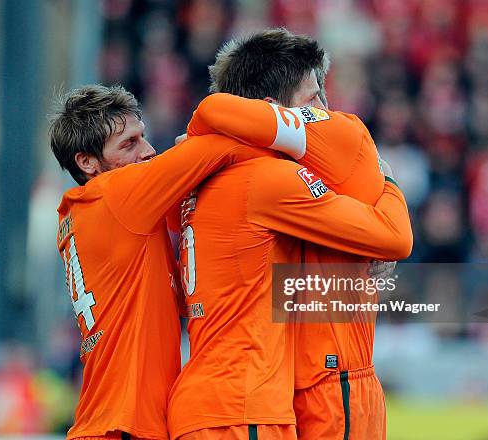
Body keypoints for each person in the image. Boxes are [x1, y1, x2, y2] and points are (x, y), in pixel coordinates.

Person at [166, 31, 413, 440]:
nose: (326, 110)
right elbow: (394, 236)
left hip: (239, 390)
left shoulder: (198, 176)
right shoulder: (272, 179)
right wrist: (387, 181)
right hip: (305, 388)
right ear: (271, 113)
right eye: (313, 99)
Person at [50, 84, 280, 440]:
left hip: (108, 419)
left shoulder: (87, 212)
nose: (149, 151)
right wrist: (279, 117)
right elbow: (221, 146)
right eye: (129, 144)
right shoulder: (117, 194)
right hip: (124, 424)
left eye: (144, 137)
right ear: (86, 162)